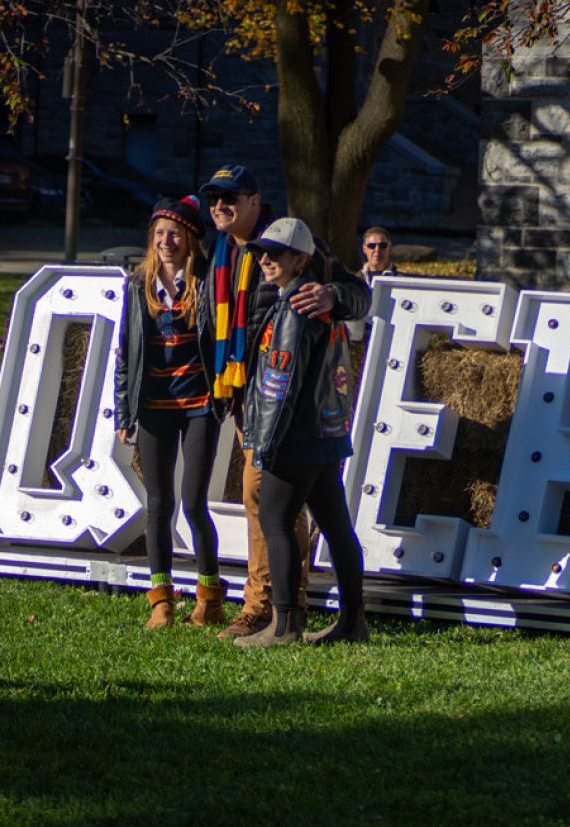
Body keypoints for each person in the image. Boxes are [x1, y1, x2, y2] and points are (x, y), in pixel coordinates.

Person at [196, 164, 370, 641]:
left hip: (284, 419)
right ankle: (347, 619)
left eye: (230, 197)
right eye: (214, 198)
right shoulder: (218, 254)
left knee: (270, 514)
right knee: (323, 520)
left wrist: (333, 293)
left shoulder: (300, 280)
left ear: (255, 200)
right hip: (252, 401)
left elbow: (358, 297)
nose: (220, 206)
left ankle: (276, 615)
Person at [235, 217, 367, 647]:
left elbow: (280, 383)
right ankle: (352, 622)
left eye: (276, 253)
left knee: (275, 521)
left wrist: (265, 444)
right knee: (335, 525)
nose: (265, 259)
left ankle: (285, 625)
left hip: (295, 436)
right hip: (326, 434)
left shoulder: (297, 306)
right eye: (261, 252)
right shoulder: (316, 303)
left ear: (301, 259)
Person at [114, 195, 226, 629]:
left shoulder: (205, 283)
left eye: (175, 233)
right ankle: (161, 599)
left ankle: (210, 596)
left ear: (191, 239)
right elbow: (126, 355)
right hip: (155, 408)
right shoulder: (137, 284)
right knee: (158, 505)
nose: (166, 241)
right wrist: (125, 412)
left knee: (195, 503)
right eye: (160, 233)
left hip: (199, 406)